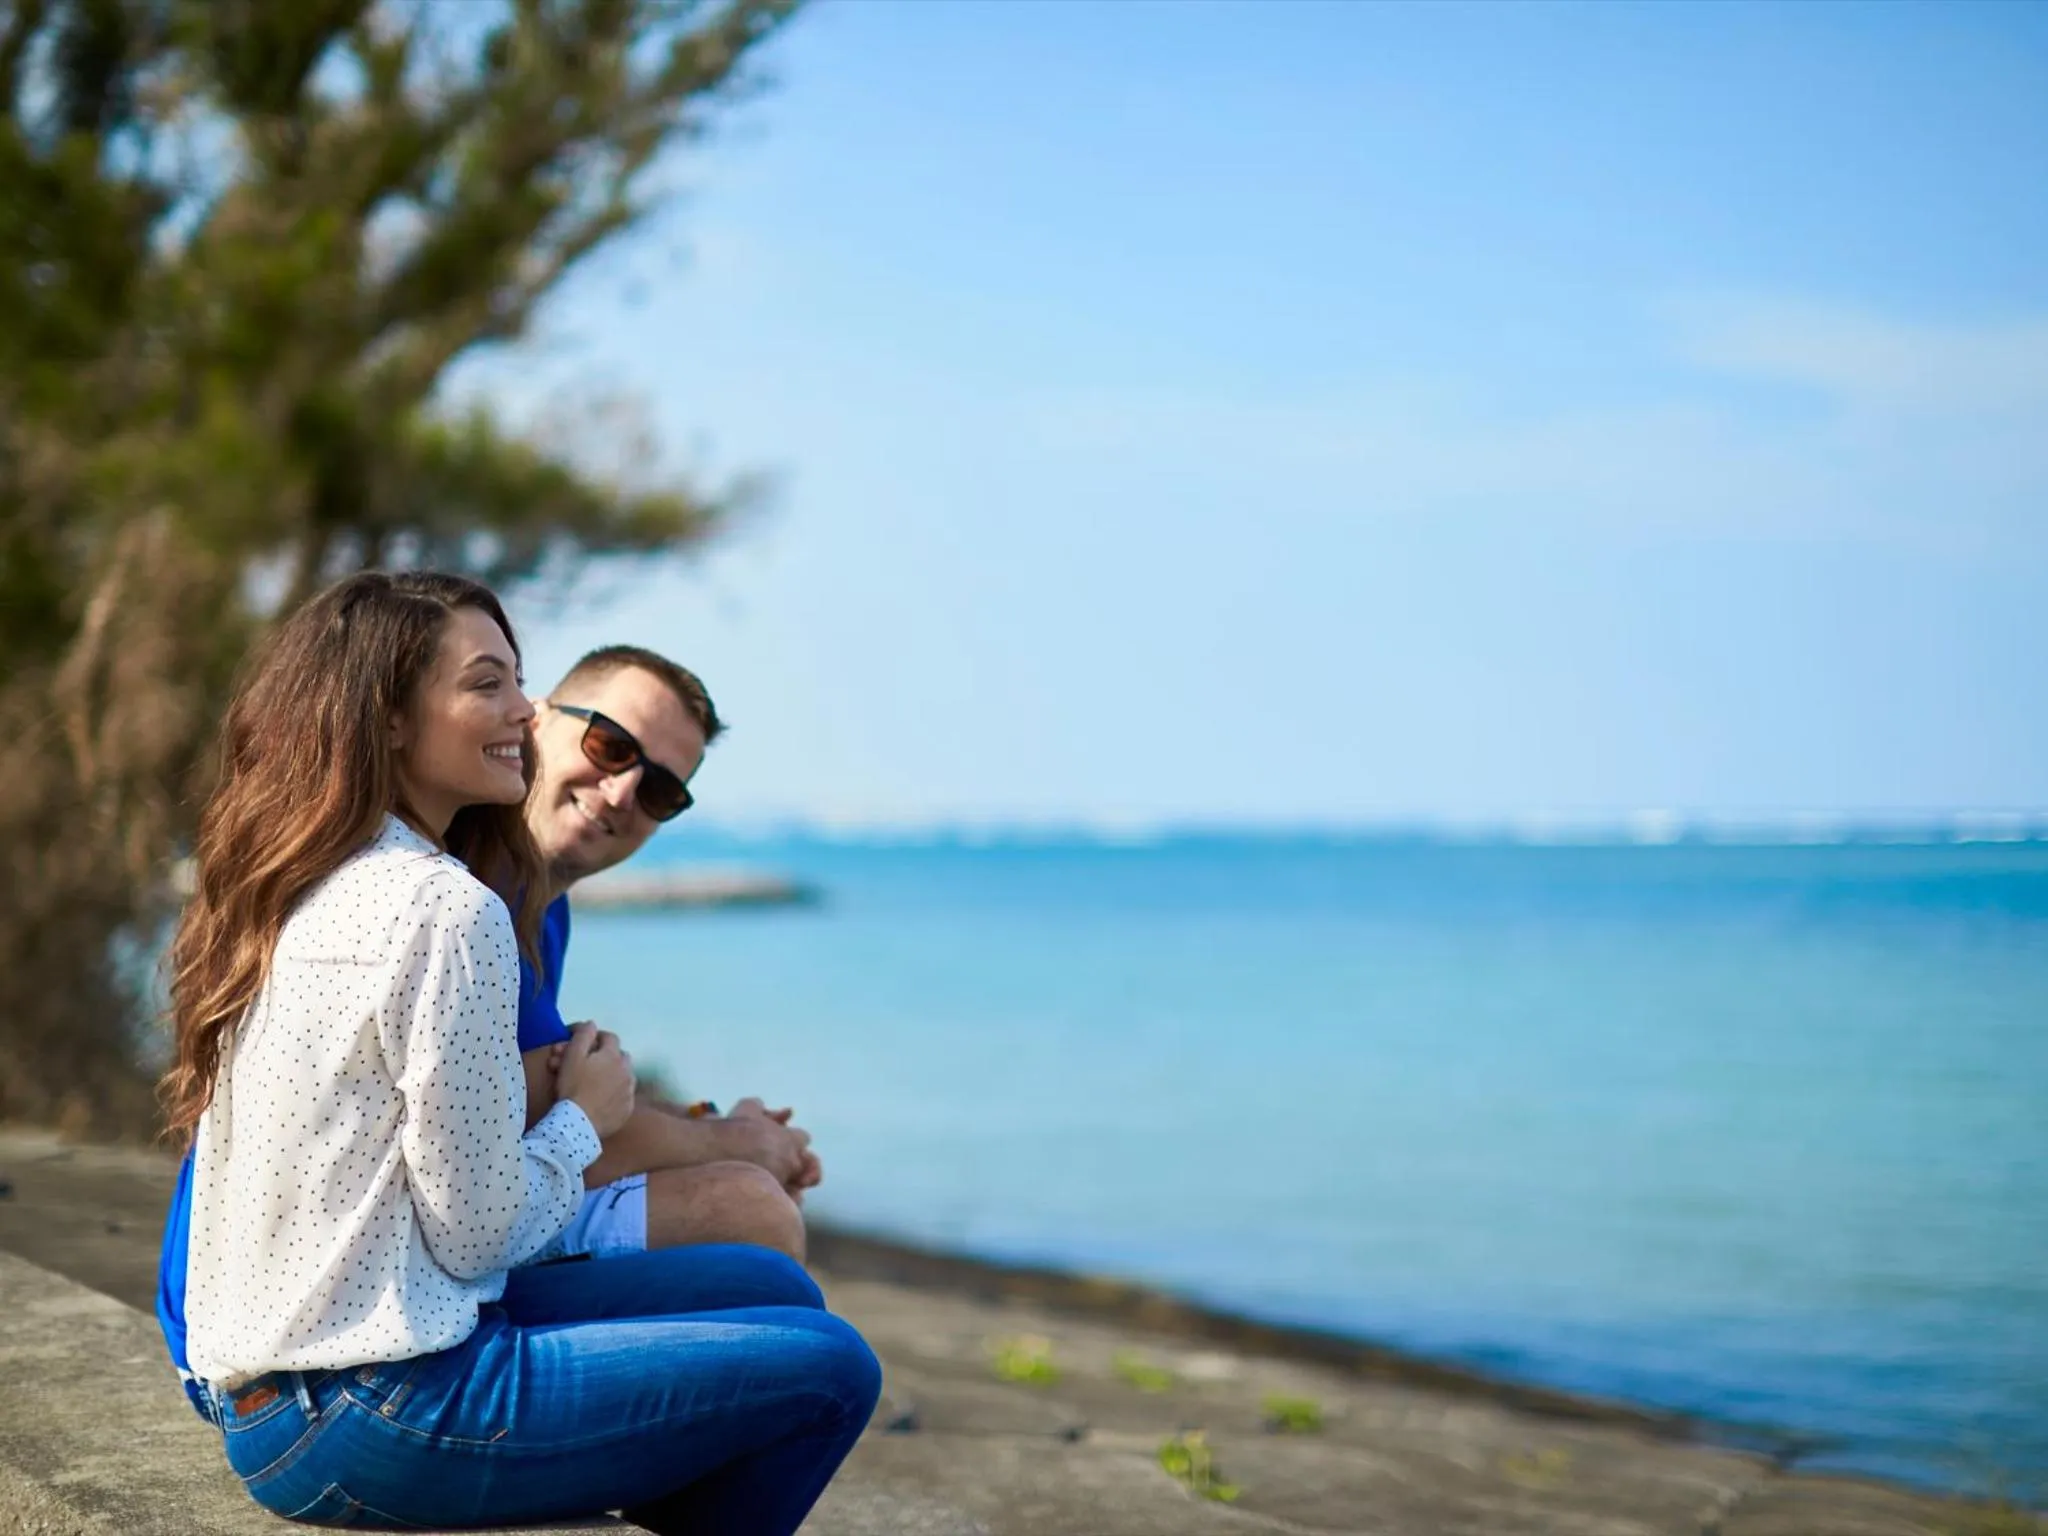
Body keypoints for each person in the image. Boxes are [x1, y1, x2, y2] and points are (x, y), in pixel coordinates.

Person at [164, 571, 878, 1532]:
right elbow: (481, 1234)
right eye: (489, 684)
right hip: (369, 1401)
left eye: (662, 788)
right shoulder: (446, 907)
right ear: (388, 716)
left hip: (308, 1366)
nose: (522, 709)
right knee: (834, 1369)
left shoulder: (316, 869)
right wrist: (585, 1113)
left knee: (774, 1288)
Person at [512, 645, 821, 1266]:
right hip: (429, 1256)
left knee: (753, 1208)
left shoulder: (548, 910)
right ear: (536, 719)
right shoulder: (466, 890)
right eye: (611, 747)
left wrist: (708, 1124)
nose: (623, 792)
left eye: (659, 789)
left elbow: (564, 1105)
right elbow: (518, 1120)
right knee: (748, 1211)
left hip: (500, 1210)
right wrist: (735, 1143)